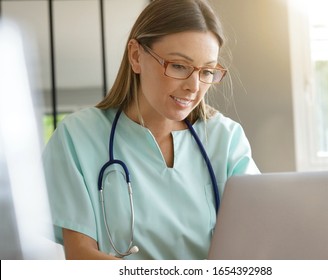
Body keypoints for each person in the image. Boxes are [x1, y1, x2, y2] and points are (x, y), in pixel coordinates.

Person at [42, 0, 260, 260]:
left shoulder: (225, 138)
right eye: (179, 66)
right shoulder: (77, 136)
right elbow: (81, 256)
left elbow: (256, 242)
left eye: (207, 71)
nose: (194, 86)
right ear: (136, 56)